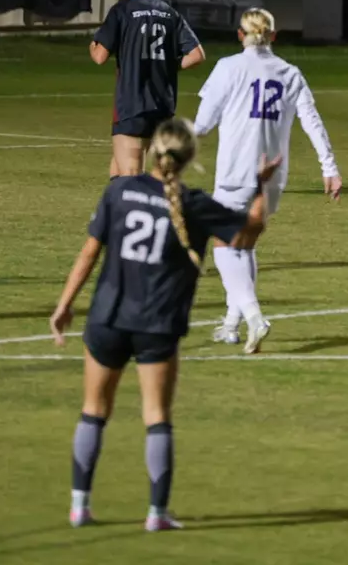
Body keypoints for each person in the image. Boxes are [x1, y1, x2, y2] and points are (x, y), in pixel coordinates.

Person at [51, 118, 280, 531]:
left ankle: (79, 506)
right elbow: (249, 233)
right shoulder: (194, 204)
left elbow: (88, 253)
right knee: (156, 415)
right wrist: (262, 185)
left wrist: (64, 305)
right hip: (157, 323)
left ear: (154, 152)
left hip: (107, 316)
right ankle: (157, 513)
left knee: (93, 411)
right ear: (190, 158)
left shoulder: (119, 191)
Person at [192, 7, 343, 352]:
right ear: (273, 36)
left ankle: (254, 318)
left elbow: (202, 125)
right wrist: (329, 168)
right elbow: (312, 122)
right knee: (244, 245)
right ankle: (231, 325)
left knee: (223, 246)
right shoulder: (289, 73)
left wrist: (172, 140)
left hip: (235, 171)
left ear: (240, 34)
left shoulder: (228, 67)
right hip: (273, 175)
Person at [90, 0, 205, 178]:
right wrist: (167, 65)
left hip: (132, 106)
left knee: (133, 177)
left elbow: (99, 57)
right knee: (119, 168)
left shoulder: (122, 11)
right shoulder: (170, 13)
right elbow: (197, 55)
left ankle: (144, 212)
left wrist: (92, 45)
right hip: (162, 107)